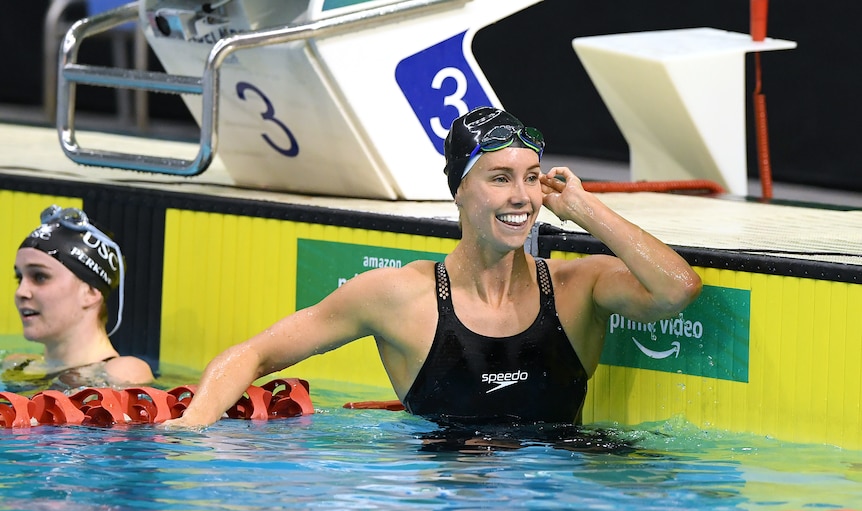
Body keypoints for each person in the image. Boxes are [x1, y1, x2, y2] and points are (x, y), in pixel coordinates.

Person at [166, 107, 702, 428]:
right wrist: (189, 436)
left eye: (531, 177)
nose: (521, 197)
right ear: (459, 191)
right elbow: (255, 354)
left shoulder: (577, 286)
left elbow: (677, 289)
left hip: (559, 509)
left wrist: (584, 208)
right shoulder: (397, 297)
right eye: (499, 178)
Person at [3, 205, 153, 392]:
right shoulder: (15, 366)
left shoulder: (122, 371)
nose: (21, 292)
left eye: (40, 277)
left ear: (90, 292)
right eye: (19, 278)